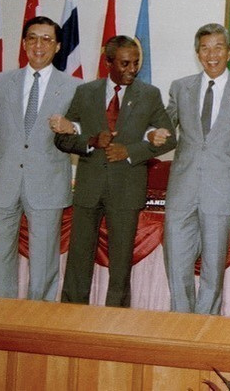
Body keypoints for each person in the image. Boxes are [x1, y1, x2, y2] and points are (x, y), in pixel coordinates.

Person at [52, 35, 176, 307]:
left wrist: (130, 151)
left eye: (136, 63)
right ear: (108, 62)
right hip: (88, 188)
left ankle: (117, 320)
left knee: (120, 262)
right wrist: (91, 141)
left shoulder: (150, 94)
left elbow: (169, 138)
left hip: (127, 190)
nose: (132, 69)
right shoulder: (86, 92)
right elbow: (62, 138)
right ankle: (71, 316)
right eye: (124, 63)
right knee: (78, 258)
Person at [0, 16, 80, 300]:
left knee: (44, 259)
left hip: (47, 184)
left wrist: (73, 127)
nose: (39, 45)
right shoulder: (1, 81)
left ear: (57, 46)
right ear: (23, 43)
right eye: (32, 38)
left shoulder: (73, 86)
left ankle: (38, 318)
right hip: (2, 182)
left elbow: (83, 132)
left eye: (47, 39)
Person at [163, 23, 230, 314]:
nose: (212, 54)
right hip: (181, 191)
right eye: (205, 48)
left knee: (212, 271)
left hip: (220, 194)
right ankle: (180, 326)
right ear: (197, 53)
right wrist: (152, 134)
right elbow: (165, 129)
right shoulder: (180, 87)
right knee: (176, 265)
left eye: (218, 47)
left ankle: (205, 327)